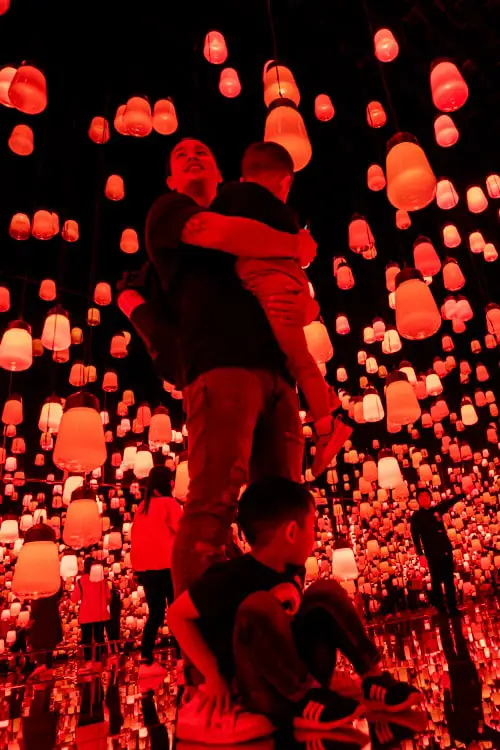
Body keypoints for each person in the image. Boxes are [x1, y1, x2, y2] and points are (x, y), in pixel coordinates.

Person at [146, 137, 317, 596]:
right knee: (214, 499)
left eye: (203, 151)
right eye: (180, 156)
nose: (192, 156)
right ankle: (203, 650)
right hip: (220, 366)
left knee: (284, 509)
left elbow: (302, 304)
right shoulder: (169, 212)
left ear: (223, 176)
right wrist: (293, 246)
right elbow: (215, 234)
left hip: (277, 373)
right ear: (171, 180)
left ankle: (281, 626)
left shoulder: (247, 213)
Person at [168, 477, 422, 743]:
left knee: (325, 591)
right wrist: (212, 674)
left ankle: (372, 678)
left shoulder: (293, 569)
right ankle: (305, 701)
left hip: (302, 670)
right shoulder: (230, 577)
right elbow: (176, 615)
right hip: (258, 688)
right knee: (259, 605)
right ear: (291, 532)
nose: (315, 536)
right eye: (312, 526)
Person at [214, 141, 353, 478]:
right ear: (286, 181)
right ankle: (327, 405)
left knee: (297, 355)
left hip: (270, 285)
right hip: (285, 285)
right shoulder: (284, 214)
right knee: (298, 354)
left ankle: (326, 428)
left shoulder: (231, 200)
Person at [131, 465, 182, 677]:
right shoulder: (170, 504)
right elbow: (182, 532)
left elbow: (136, 539)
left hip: (148, 569)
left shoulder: (143, 506)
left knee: (156, 615)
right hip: (169, 566)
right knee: (178, 613)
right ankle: (182, 659)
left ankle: (146, 659)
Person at [410, 488, 461, 615]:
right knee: (436, 581)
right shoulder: (416, 517)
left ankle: (453, 607)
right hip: (431, 553)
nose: (424, 498)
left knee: (449, 579)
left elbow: (450, 502)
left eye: (426, 496)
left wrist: (464, 493)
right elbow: (415, 536)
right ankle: (441, 609)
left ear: (430, 498)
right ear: (418, 500)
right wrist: (420, 554)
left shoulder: (436, 510)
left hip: (445, 549)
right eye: (421, 496)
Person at [24, 523, 63, 682]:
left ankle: (43, 668)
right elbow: (59, 593)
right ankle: (46, 668)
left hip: (42, 621)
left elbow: (37, 601)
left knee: (41, 645)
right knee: (48, 645)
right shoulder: (55, 579)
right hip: (52, 618)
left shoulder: (40, 581)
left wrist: (31, 620)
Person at [71, 557, 110, 669]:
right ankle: (98, 659)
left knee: (86, 638)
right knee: (99, 637)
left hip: (86, 614)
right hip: (100, 614)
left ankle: (88, 661)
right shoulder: (102, 581)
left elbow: (74, 598)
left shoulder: (81, 581)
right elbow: (108, 597)